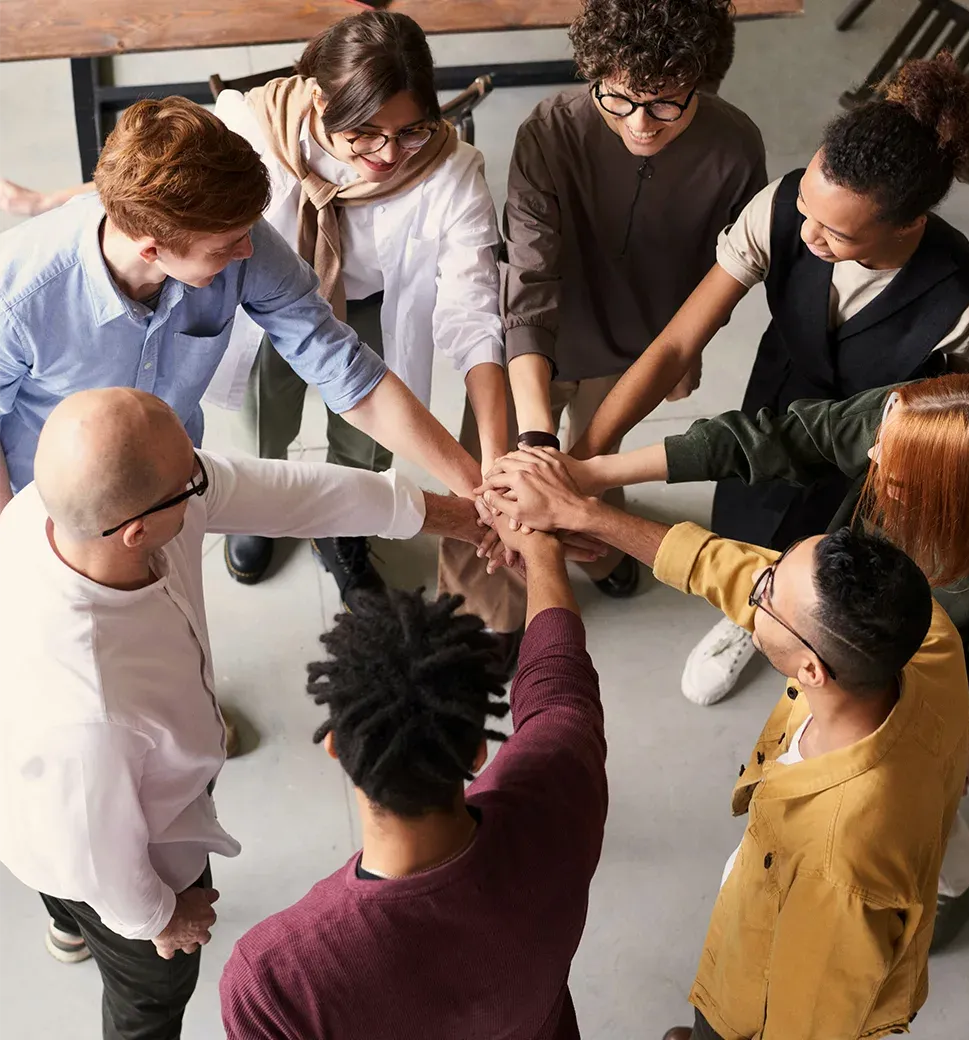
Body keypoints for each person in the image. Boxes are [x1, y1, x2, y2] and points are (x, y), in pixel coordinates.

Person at [0, 12, 522, 652]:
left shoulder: (239, 238)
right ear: (153, 247)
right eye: (226, 248)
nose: (250, 253)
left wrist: (476, 489)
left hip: (174, 486)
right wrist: (17, 547)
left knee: (175, 625)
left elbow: (347, 371)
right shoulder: (19, 293)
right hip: (46, 508)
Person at [0, 387, 502, 1039]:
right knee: (149, 996)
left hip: (66, 781)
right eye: (191, 482)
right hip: (91, 842)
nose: (205, 480)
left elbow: (287, 493)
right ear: (137, 532)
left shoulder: (66, 505)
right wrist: (160, 918)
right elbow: (91, 854)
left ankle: (69, 923)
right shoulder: (92, 709)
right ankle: (85, 924)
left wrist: (455, 517)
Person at [570, 51, 969, 706]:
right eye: (806, 205)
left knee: (835, 567)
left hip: (871, 460)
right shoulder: (779, 209)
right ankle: (749, 616)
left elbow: (955, 415)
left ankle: (804, 636)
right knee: (749, 517)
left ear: (909, 224)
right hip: (773, 408)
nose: (807, 234)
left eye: (835, 232)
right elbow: (674, 345)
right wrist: (586, 457)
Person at [477, 450, 969, 1040]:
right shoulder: (921, 635)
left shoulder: (839, 870)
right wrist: (582, 513)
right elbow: (732, 569)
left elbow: (807, 1025)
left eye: (765, 595)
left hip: (752, 1000)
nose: (752, 586)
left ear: (811, 670)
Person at [558, 372, 969, 947]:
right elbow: (776, 438)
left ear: (939, 494)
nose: (872, 450)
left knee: (919, 804)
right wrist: (590, 477)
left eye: (891, 463)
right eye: (880, 432)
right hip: (880, 665)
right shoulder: (901, 423)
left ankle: (963, 881)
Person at [219, 517, 606, 1039]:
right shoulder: (560, 789)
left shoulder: (274, 980)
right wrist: (541, 552)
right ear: (477, 750)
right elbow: (559, 685)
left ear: (336, 747)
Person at [498, 0, 766, 600]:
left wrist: (684, 352)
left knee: (599, 456)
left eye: (666, 102)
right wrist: (538, 441)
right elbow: (528, 277)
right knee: (503, 469)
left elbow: (719, 276)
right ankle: (485, 604)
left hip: (635, 346)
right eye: (617, 98)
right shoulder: (548, 131)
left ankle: (596, 552)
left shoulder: (737, 148)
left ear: (703, 79)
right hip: (532, 341)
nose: (641, 123)